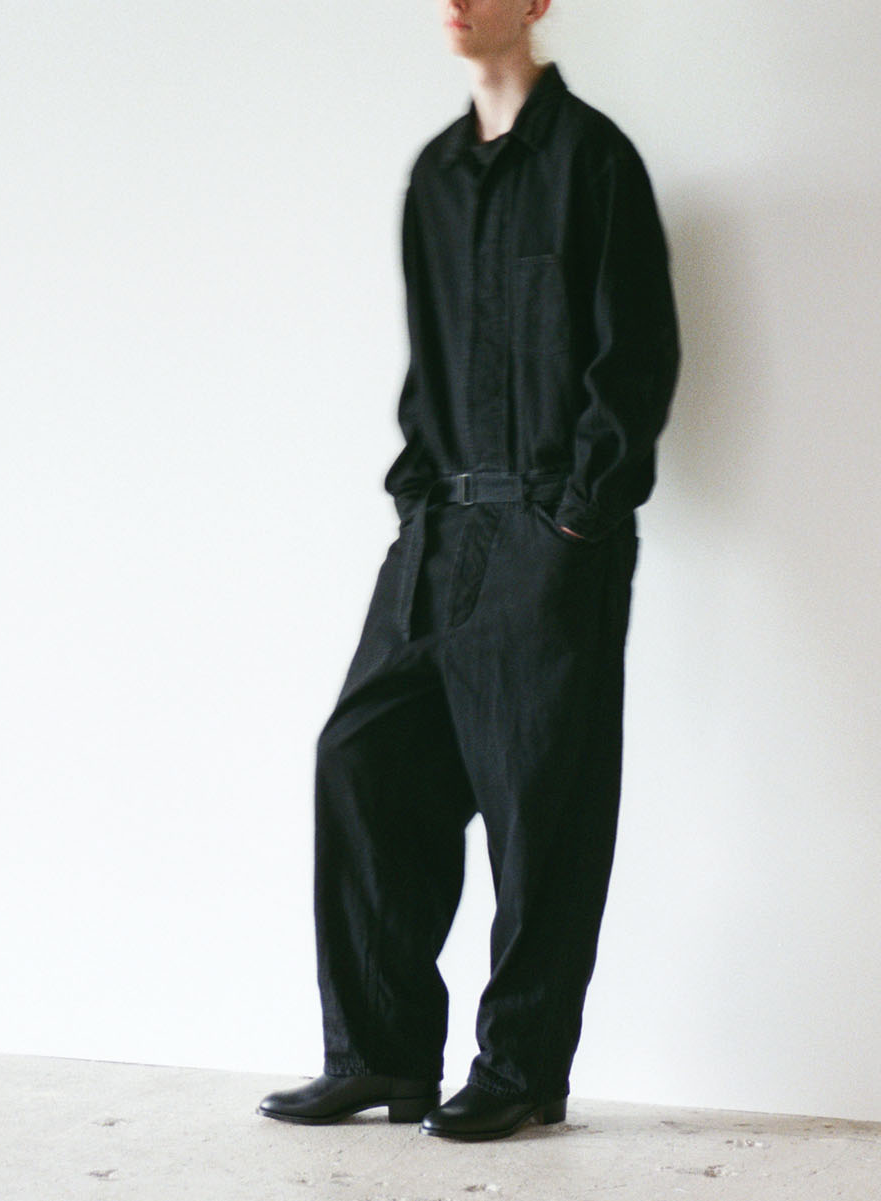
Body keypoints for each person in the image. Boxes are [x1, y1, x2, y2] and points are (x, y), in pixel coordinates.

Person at [257, 0, 679, 1142]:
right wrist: (415, 503)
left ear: (535, 2)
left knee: (540, 808)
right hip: (439, 528)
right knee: (362, 762)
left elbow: (636, 353)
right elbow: (429, 362)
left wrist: (578, 518)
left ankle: (522, 1071)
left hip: (549, 529)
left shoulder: (594, 160)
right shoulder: (436, 178)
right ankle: (382, 1055)